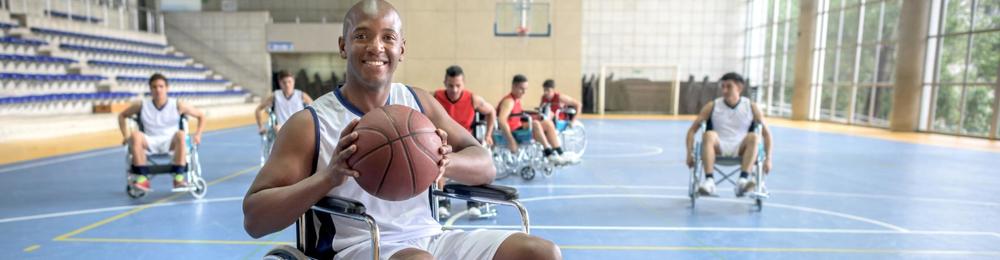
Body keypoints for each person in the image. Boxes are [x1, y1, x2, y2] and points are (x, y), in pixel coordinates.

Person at [242, 1, 561, 259]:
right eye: (361, 36)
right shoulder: (310, 123)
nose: (375, 47)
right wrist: (328, 177)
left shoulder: (419, 104)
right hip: (358, 246)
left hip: (430, 238)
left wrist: (443, 161)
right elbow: (254, 219)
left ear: (402, 49)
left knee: (541, 253)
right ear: (343, 46)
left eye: (388, 37)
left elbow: (485, 164)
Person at [685, 72, 773, 196]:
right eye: (723, 86)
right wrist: (689, 154)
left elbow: (767, 134)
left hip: (742, 148)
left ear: (739, 88)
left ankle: (742, 181)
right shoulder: (712, 105)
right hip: (718, 147)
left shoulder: (751, 107)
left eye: (729, 87)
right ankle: (709, 181)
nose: (724, 90)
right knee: (708, 134)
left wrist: (768, 159)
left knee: (754, 136)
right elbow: (692, 131)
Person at [117, 73, 206, 191]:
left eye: (161, 86)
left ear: (167, 88)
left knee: (181, 134)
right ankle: (142, 179)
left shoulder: (177, 104)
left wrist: (198, 135)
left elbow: (201, 116)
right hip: (149, 141)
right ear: (150, 89)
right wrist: (125, 135)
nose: (158, 90)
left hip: (171, 141)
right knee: (135, 135)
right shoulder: (142, 105)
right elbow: (122, 115)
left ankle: (179, 178)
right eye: (154, 87)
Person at [432, 65, 497, 219]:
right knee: (439, 161)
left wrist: (488, 134)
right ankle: (443, 201)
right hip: (443, 143)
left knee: (476, 163)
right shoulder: (434, 97)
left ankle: (473, 202)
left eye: (458, 85)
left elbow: (491, 112)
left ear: (463, 83)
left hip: (465, 143)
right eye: (450, 85)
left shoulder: (473, 99)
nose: (454, 89)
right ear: (445, 83)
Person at [497, 74, 570, 165]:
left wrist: (535, 116)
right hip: (512, 131)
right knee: (535, 124)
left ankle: (560, 152)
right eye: (521, 89)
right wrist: (510, 140)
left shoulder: (516, 99)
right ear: (514, 86)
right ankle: (548, 153)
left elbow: (517, 116)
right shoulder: (509, 101)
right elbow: (501, 120)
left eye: (525, 89)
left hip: (518, 126)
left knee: (547, 123)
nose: (524, 92)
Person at [255, 70, 314, 135]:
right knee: (277, 128)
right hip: (282, 127)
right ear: (279, 83)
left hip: (299, 126)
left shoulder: (301, 95)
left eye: (289, 82)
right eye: (284, 82)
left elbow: (315, 109)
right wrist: (261, 127)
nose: (287, 85)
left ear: (293, 81)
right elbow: (258, 110)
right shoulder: (275, 96)